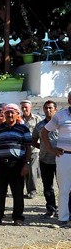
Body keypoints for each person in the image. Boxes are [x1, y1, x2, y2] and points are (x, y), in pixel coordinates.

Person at [0, 103, 33, 226]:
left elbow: (28, 148)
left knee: (18, 192)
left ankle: (18, 218)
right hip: (0, 164)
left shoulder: (23, 129)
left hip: (17, 164)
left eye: (12, 112)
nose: (9, 115)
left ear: (17, 114)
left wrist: (27, 164)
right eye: (7, 112)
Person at [42, 92, 71, 227]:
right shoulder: (60, 115)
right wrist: (50, 149)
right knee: (64, 188)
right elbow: (44, 132)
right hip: (64, 156)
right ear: (69, 100)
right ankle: (63, 218)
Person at [34, 100, 59, 219]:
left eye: (50, 108)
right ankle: (51, 208)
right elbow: (34, 140)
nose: (48, 110)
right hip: (45, 160)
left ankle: (66, 209)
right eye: (46, 108)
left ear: (55, 110)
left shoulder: (61, 124)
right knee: (47, 186)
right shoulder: (39, 125)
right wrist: (44, 148)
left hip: (61, 160)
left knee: (64, 186)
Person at [20, 100, 40, 199]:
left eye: (26, 107)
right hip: (21, 150)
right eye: (22, 107)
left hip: (33, 149)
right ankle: (22, 190)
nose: (24, 109)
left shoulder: (37, 119)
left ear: (30, 107)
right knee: (23, 170)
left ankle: (32, 191)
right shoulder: (19, 119)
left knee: (32, 170)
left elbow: (42, 130)